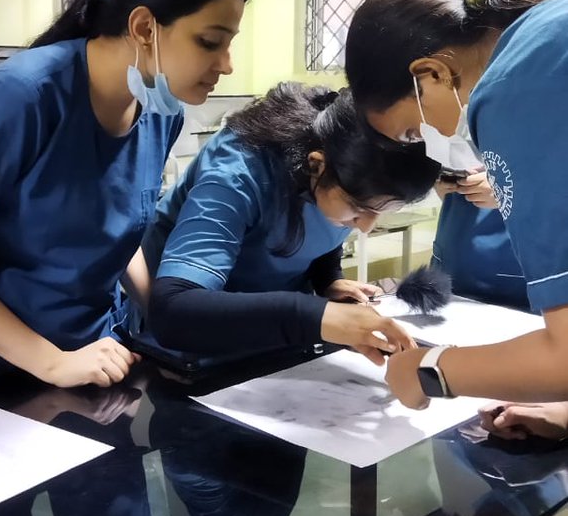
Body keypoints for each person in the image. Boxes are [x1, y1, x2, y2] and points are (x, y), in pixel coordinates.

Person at [0, 0, 249, 399]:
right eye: (211, 41)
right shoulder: (22, 98)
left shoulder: (159, 112)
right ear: (145, 27)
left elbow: (113, 230)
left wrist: (164, 314)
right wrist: (51, 362)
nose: (226, 64)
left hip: (90, 361)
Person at [344, 0, 568, 408]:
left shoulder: (516, 83)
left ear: (431, 75)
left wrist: (430, 370)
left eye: (413, 132)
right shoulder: (551, 36)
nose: (430, 147)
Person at [138, 83, 439, 365]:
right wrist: (313, 316)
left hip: (272, 341)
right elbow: (174, 314)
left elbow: (321, 237)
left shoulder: (348, 175)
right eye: (358, 209)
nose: (365, 227)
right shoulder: (239, 171)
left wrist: (327, 280)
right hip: (193, 347)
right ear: (316, 165)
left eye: (381, 211)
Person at [431, 0, 560, 307]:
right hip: (458, 252)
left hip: (527, 265)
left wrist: (506, 188)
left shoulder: (551, 80)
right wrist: (441, 177)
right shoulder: (469, 70)